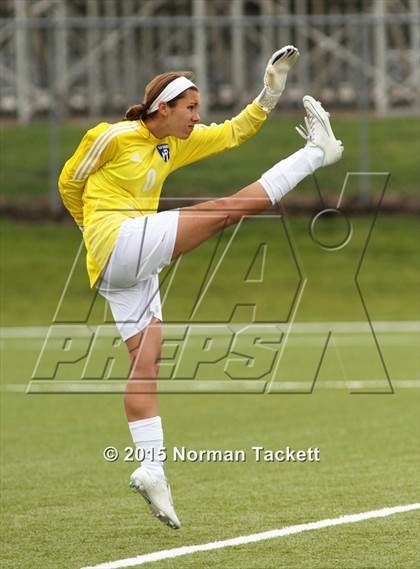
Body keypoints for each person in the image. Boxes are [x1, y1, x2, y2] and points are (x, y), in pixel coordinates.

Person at [58, 46, 343, 530]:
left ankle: (152, 467)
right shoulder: (113, 136)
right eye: (189, 107)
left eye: (197, 107)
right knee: (226, 210)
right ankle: (317, 152)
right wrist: (96, 229)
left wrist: (270, 93)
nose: (196, 116)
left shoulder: (174, 144)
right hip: (117, 241)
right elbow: (69, 182)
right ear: (162, 108)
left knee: (146, 361)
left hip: (123, 265)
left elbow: (235, 132)